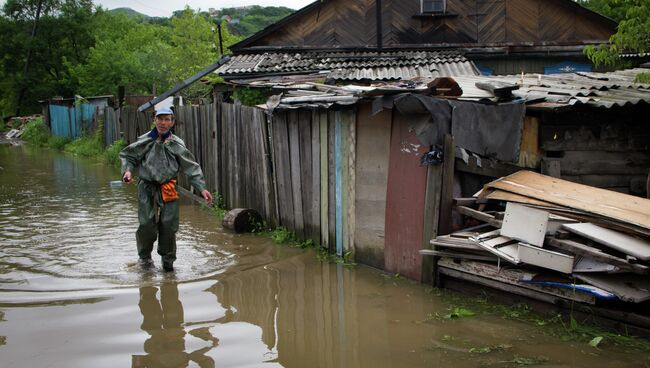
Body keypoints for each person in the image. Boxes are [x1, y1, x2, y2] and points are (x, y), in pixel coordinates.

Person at [120, 107, 212, 272]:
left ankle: (168, 263)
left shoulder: (177, 144)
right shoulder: (145, 140)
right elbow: (129, 156)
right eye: (160, 119)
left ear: (172, 122)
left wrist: (201, 188)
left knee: (169, 225)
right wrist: (127, 171)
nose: (163, 123)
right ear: (154, 120)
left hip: (168, 187)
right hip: (146, 186)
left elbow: (191, 167)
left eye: (167, 119)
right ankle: (145, 260)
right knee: (146, 224)